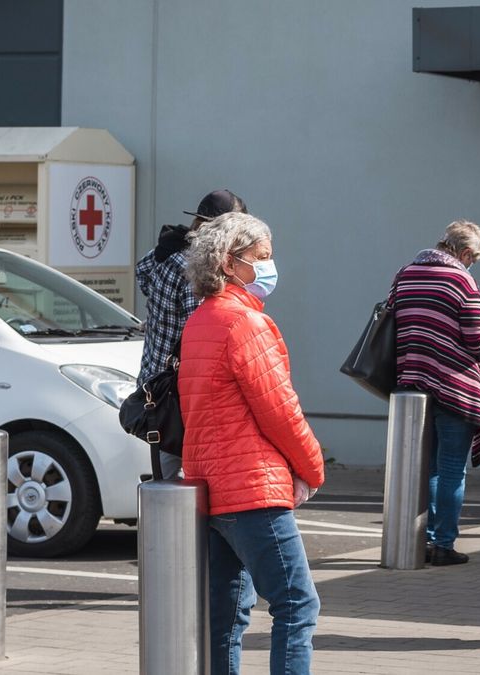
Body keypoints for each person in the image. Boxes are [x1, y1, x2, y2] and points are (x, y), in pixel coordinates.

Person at [179, 212, 324, 674]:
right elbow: (280, 410)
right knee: (296, 604)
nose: (270, 266)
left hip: (211, 486)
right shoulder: (245, 324)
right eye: (262, 257)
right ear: (228, 262)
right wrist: (313, 468)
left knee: (226, 616)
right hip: (252, 486)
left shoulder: (201, 320)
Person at [392, 219, 480, 566]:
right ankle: (443, 543)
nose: (472, 265)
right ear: (465, 252)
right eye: (474, 259)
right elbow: (478, 339)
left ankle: (422, 540)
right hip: (454, 385)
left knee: (429, 468)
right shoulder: (460, 279)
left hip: (413, 383)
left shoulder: (406, 273)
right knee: (452, 468)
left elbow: (393, 319)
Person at [136, 188, 246, 479]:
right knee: (180, 480)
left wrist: (160, 312)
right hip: (178, 392)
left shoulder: (168, 251)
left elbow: (142, 273)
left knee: (166, 472)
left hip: (155, 383)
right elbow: (199, 331)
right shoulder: (197, 269)